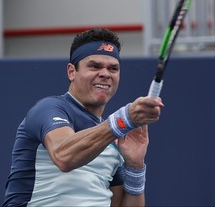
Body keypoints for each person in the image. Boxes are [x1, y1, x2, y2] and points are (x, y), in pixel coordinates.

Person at [3, 28, 164, 207]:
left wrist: (135, 167)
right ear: (72, 72)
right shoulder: (49, 109)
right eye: (95, 66)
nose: (105, 73)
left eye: (113, 68)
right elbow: (64, 156)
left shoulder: (112, 138)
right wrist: (123, 119)